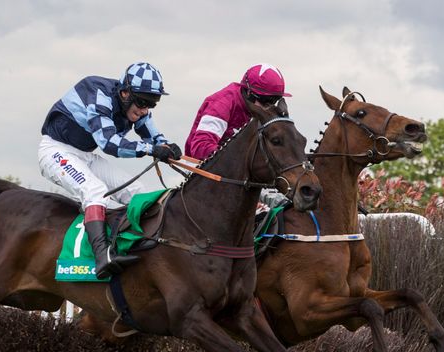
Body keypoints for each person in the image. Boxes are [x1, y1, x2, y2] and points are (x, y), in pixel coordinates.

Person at [38, 62, 181, 279]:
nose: (145, 110)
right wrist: (151, 150)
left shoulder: (136, 106)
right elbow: (109, 143)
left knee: (138, 192)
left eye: (152, 104)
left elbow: (154, 138)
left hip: (85, 156)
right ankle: (102, 257)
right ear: (125, 93)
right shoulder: (99, 94)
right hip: (55, 151)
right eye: (142, 102)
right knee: (94, 191)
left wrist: (167, 147)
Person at [184, 63, 292, 210]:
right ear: (248, 93)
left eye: (274, 101)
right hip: (203, 171)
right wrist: (242, 165)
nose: (269, 107)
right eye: (265, 101)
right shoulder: (222, 103)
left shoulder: (262, 111)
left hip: (242, 175)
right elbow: (200, 147)